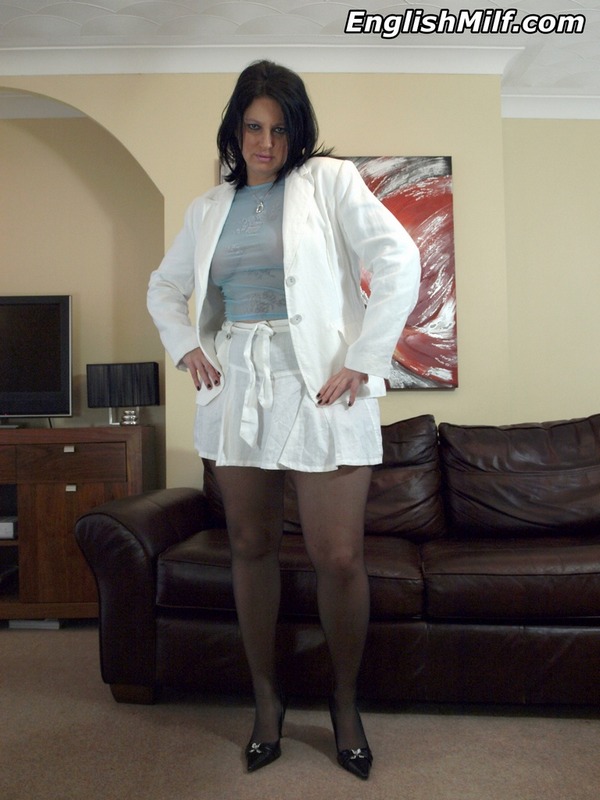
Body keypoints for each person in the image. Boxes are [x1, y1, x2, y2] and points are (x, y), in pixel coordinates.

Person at [147, 60, 421, 780]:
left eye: (278, 128)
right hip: (239, 382)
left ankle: (343, 700)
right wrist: (187, 348)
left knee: (339, 556)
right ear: (235, 131)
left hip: (320, 383)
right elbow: (165, 287)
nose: (264, 142)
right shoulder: (209, 208)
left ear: (296, 132)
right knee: (249, 545)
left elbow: (398, 257)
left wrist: (365, 356)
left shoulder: (329, 183)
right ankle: (266, 701)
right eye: (252, 127)